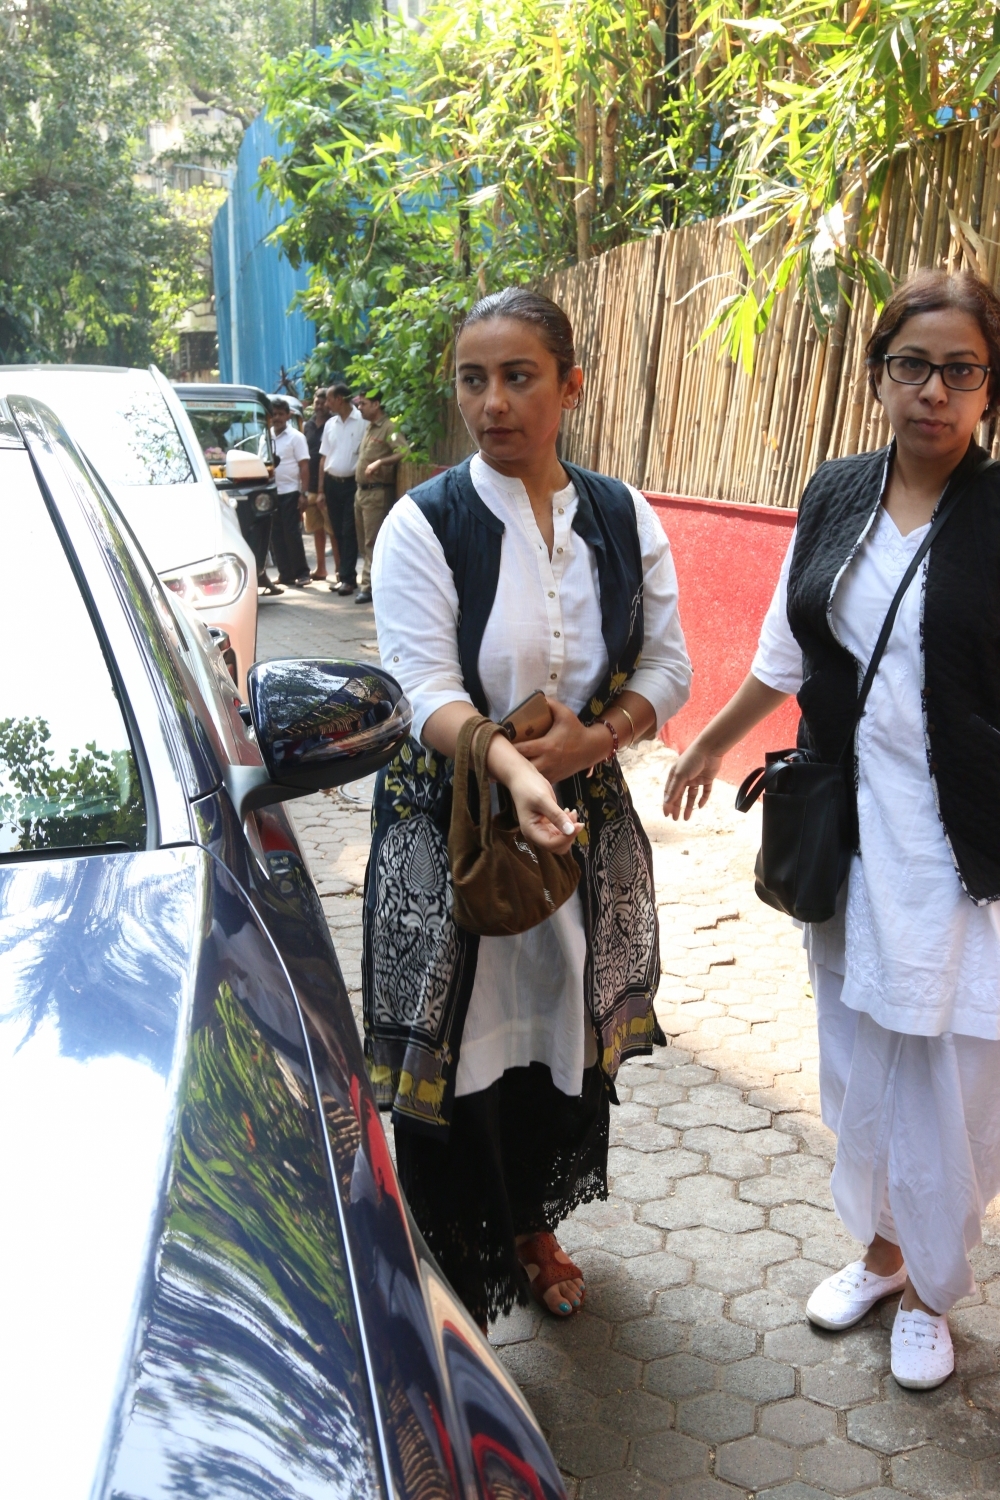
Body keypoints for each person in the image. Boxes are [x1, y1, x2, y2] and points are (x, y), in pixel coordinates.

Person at [663, 268, 1000, 1392]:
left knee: (948, 1072)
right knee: (858, 1063)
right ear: (877, 377)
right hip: (850, 840)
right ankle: (879, 1253)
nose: (934, 393)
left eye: (960, 370)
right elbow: (786, 646)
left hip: (963, 852)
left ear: (988, 388)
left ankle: (937, 1291)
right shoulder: (838, 493)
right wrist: (712, 741)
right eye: (912, 367)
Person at [364, 288, 692, 1329]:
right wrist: (510, 768)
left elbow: (669, 665)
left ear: (570, 385)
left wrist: (595, 740)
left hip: (571, 833)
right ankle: (448, 1263)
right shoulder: (427, 523)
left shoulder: (620, 516)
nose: (493, 403)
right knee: (457, 1040)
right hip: (452, 835)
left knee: (552, 1028)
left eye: (518, 377)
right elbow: (420, 688)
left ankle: (530, 1224)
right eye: (473, 379)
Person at [353, 391, 406, 603]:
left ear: (376, 404)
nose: (360, 407)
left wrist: (381, 462)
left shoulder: (389, 427)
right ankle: (369, 581)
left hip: (377, 491)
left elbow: (404, 451)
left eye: (363, 403)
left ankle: (369, 587)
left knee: (372, 541)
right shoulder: (369, 427)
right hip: (361, 491)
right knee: (362, 541)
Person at [318, 383, 366, 596]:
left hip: (352, 484)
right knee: (337, 531)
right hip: (332, 483)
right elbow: (323, 458)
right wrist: (320, 490)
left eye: (329, 399)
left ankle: (348, 578)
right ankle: (343, 575)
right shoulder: (330, 424)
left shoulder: (363, 422)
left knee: (349, 531)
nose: (326, 403)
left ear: (340, 399)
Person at [264, 397, 311, 587]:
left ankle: (302, 573)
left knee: (292, 534)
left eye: (280, 414)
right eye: (273, 414)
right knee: (276, 535)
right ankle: (286, 574)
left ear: (287, 415)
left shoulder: (296, 437)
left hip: (291, 492)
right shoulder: (265, 436)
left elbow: (304, 466)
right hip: (271, 492)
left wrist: (304, 493)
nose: (277, 418)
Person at [302, 386, 334, 581]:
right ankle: (321, 568)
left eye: (323, 402)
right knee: (316, 529)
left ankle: (339, 570)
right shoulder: (308, 425)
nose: (320, 406)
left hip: (328, 485)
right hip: (310, 484)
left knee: (333, 530)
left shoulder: (333, 424)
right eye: (317, 402)